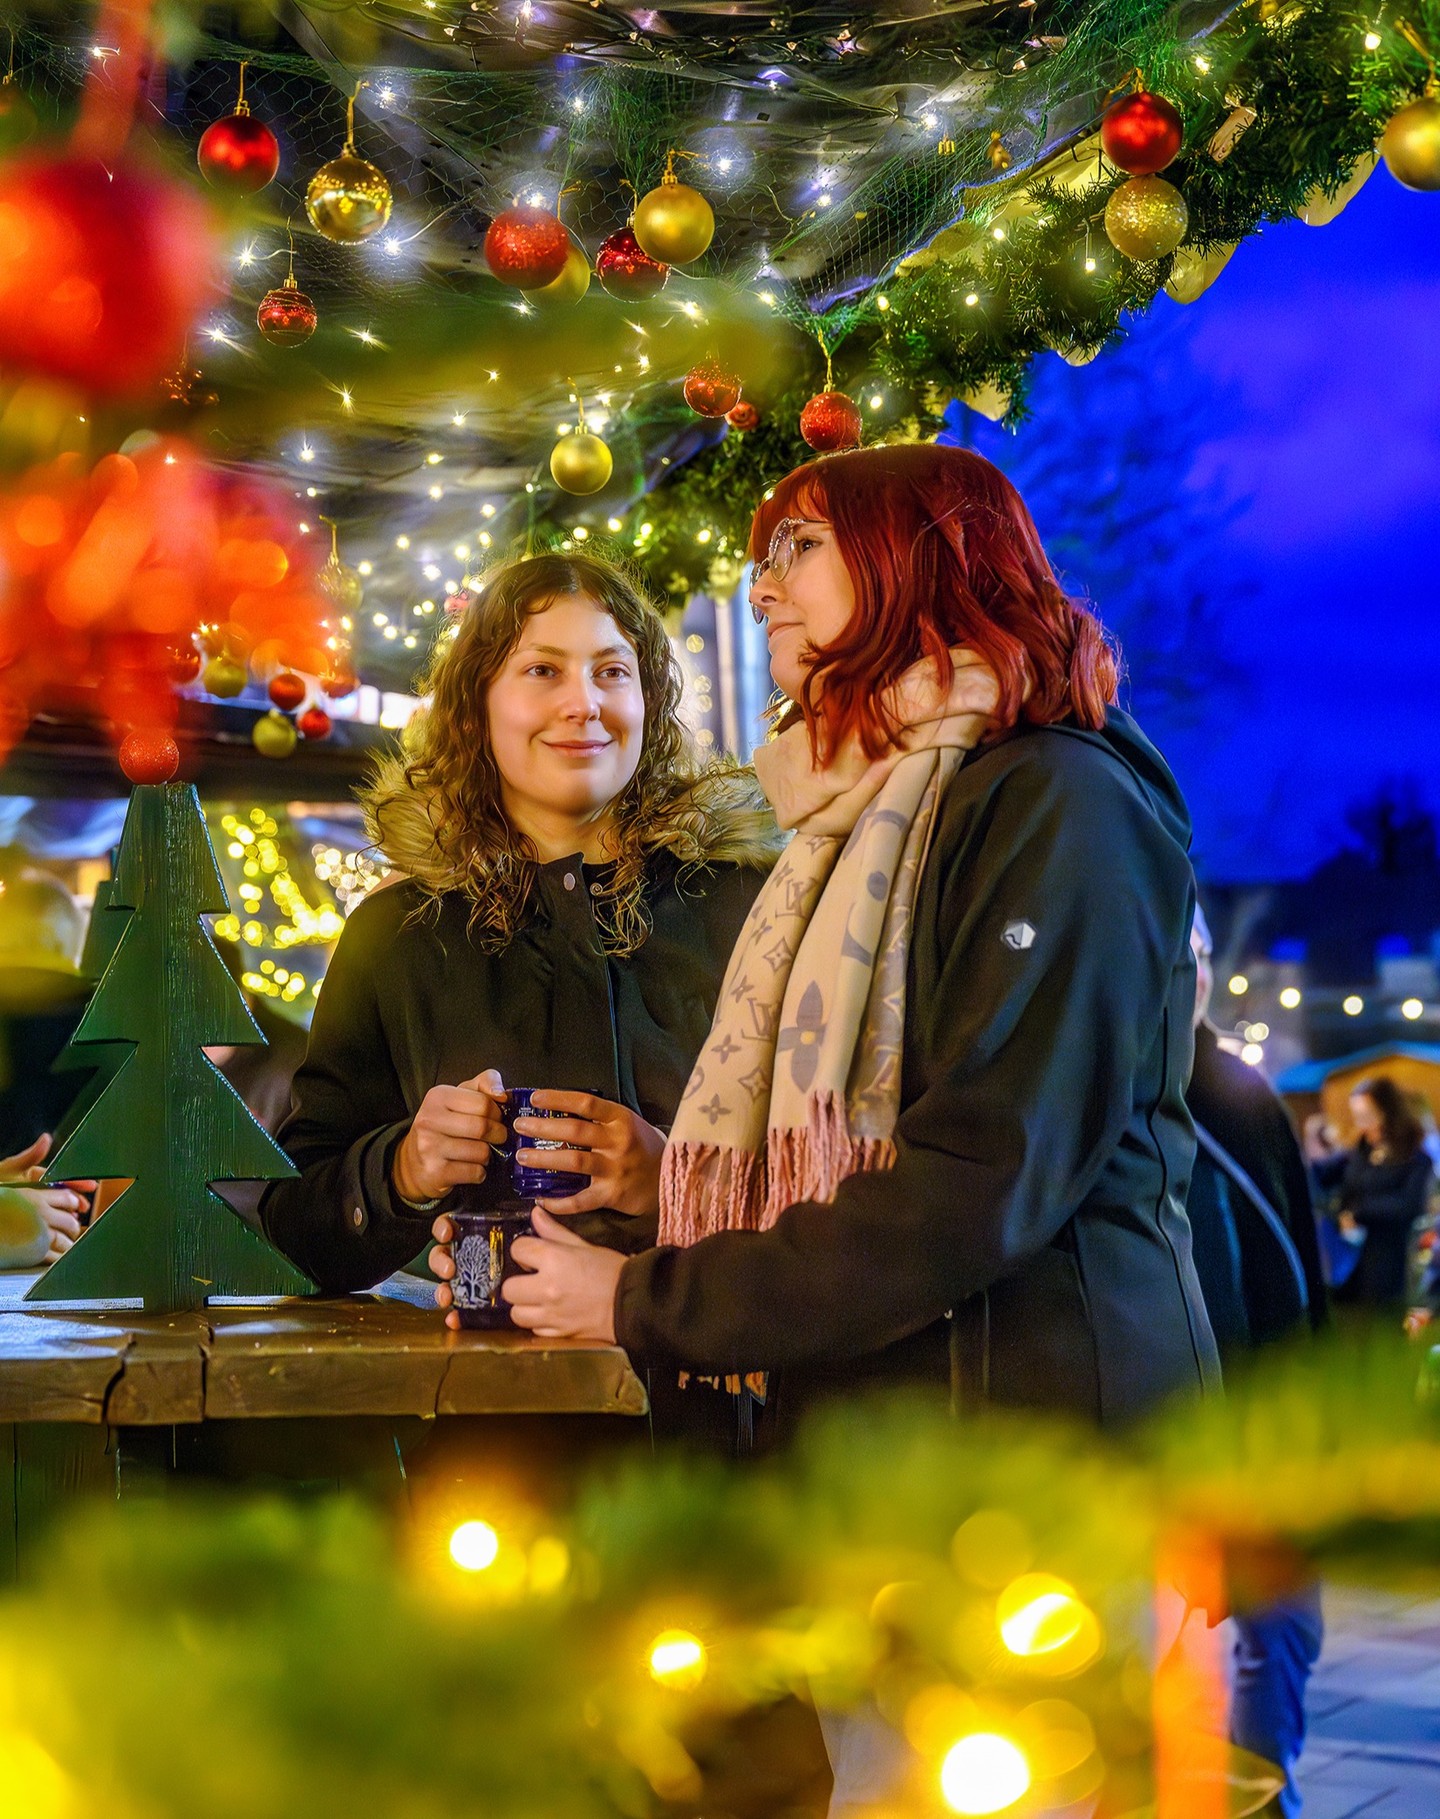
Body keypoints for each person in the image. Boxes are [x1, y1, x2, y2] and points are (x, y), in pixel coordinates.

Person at [472, 442, 1220, 1433]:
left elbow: (985, 1171)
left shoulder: (1059, 798)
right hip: (899, 1427)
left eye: (801, 547)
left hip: (1038, 1440)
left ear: (922, 556)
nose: (761, 590)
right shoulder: (857, 819)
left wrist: (639, 1299)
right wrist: (673, 1187)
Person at [260, 553, 778, 1317]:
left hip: (723, 1406)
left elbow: (841, 1176)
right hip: (495, 1416)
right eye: (542, 671)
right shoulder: (400, 935)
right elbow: (296, 1230)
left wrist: (671, 1184)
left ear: (651, 699)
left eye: (612, 672)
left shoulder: (747, 903)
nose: (584, 704)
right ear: (477, 706)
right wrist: (403, 1168)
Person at [1184, 906, 1325, 1819]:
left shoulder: (1239, 1089)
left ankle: (1263, 1791)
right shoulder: (1106, 1077)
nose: (1190, 968)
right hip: (1186, 1411)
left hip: (1269, 1408)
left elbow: (1294, 1249)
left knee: (1282, 1627)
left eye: (1196, 951)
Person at [1304, 1077, 1434, 1310]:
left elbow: (1409, 1205)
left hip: (1393, 1262)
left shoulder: (1416, 1159)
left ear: (1387, 1113)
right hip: (1351, 1266)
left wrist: (1358, 1213)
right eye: (1358, 1117)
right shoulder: (1359, 1154)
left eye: (1367, 1116)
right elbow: (1322, 1179)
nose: (1362, 1124)